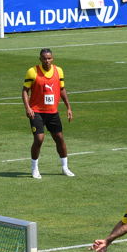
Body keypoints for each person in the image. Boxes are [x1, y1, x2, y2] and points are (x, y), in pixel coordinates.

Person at [22, 48, 74, 178]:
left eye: (49, 58)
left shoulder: (59, 71)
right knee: (39, 139)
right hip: (37, 111)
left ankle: (65, 167)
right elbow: (24, 91)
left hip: (52, 112)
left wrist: (68, 107)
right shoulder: (32, 72)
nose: (47, 61)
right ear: (40, 59)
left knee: (60, 138)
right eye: (44, 58)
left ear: (53, 58)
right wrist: (27, 107)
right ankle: (34, 168)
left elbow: (62, 89)